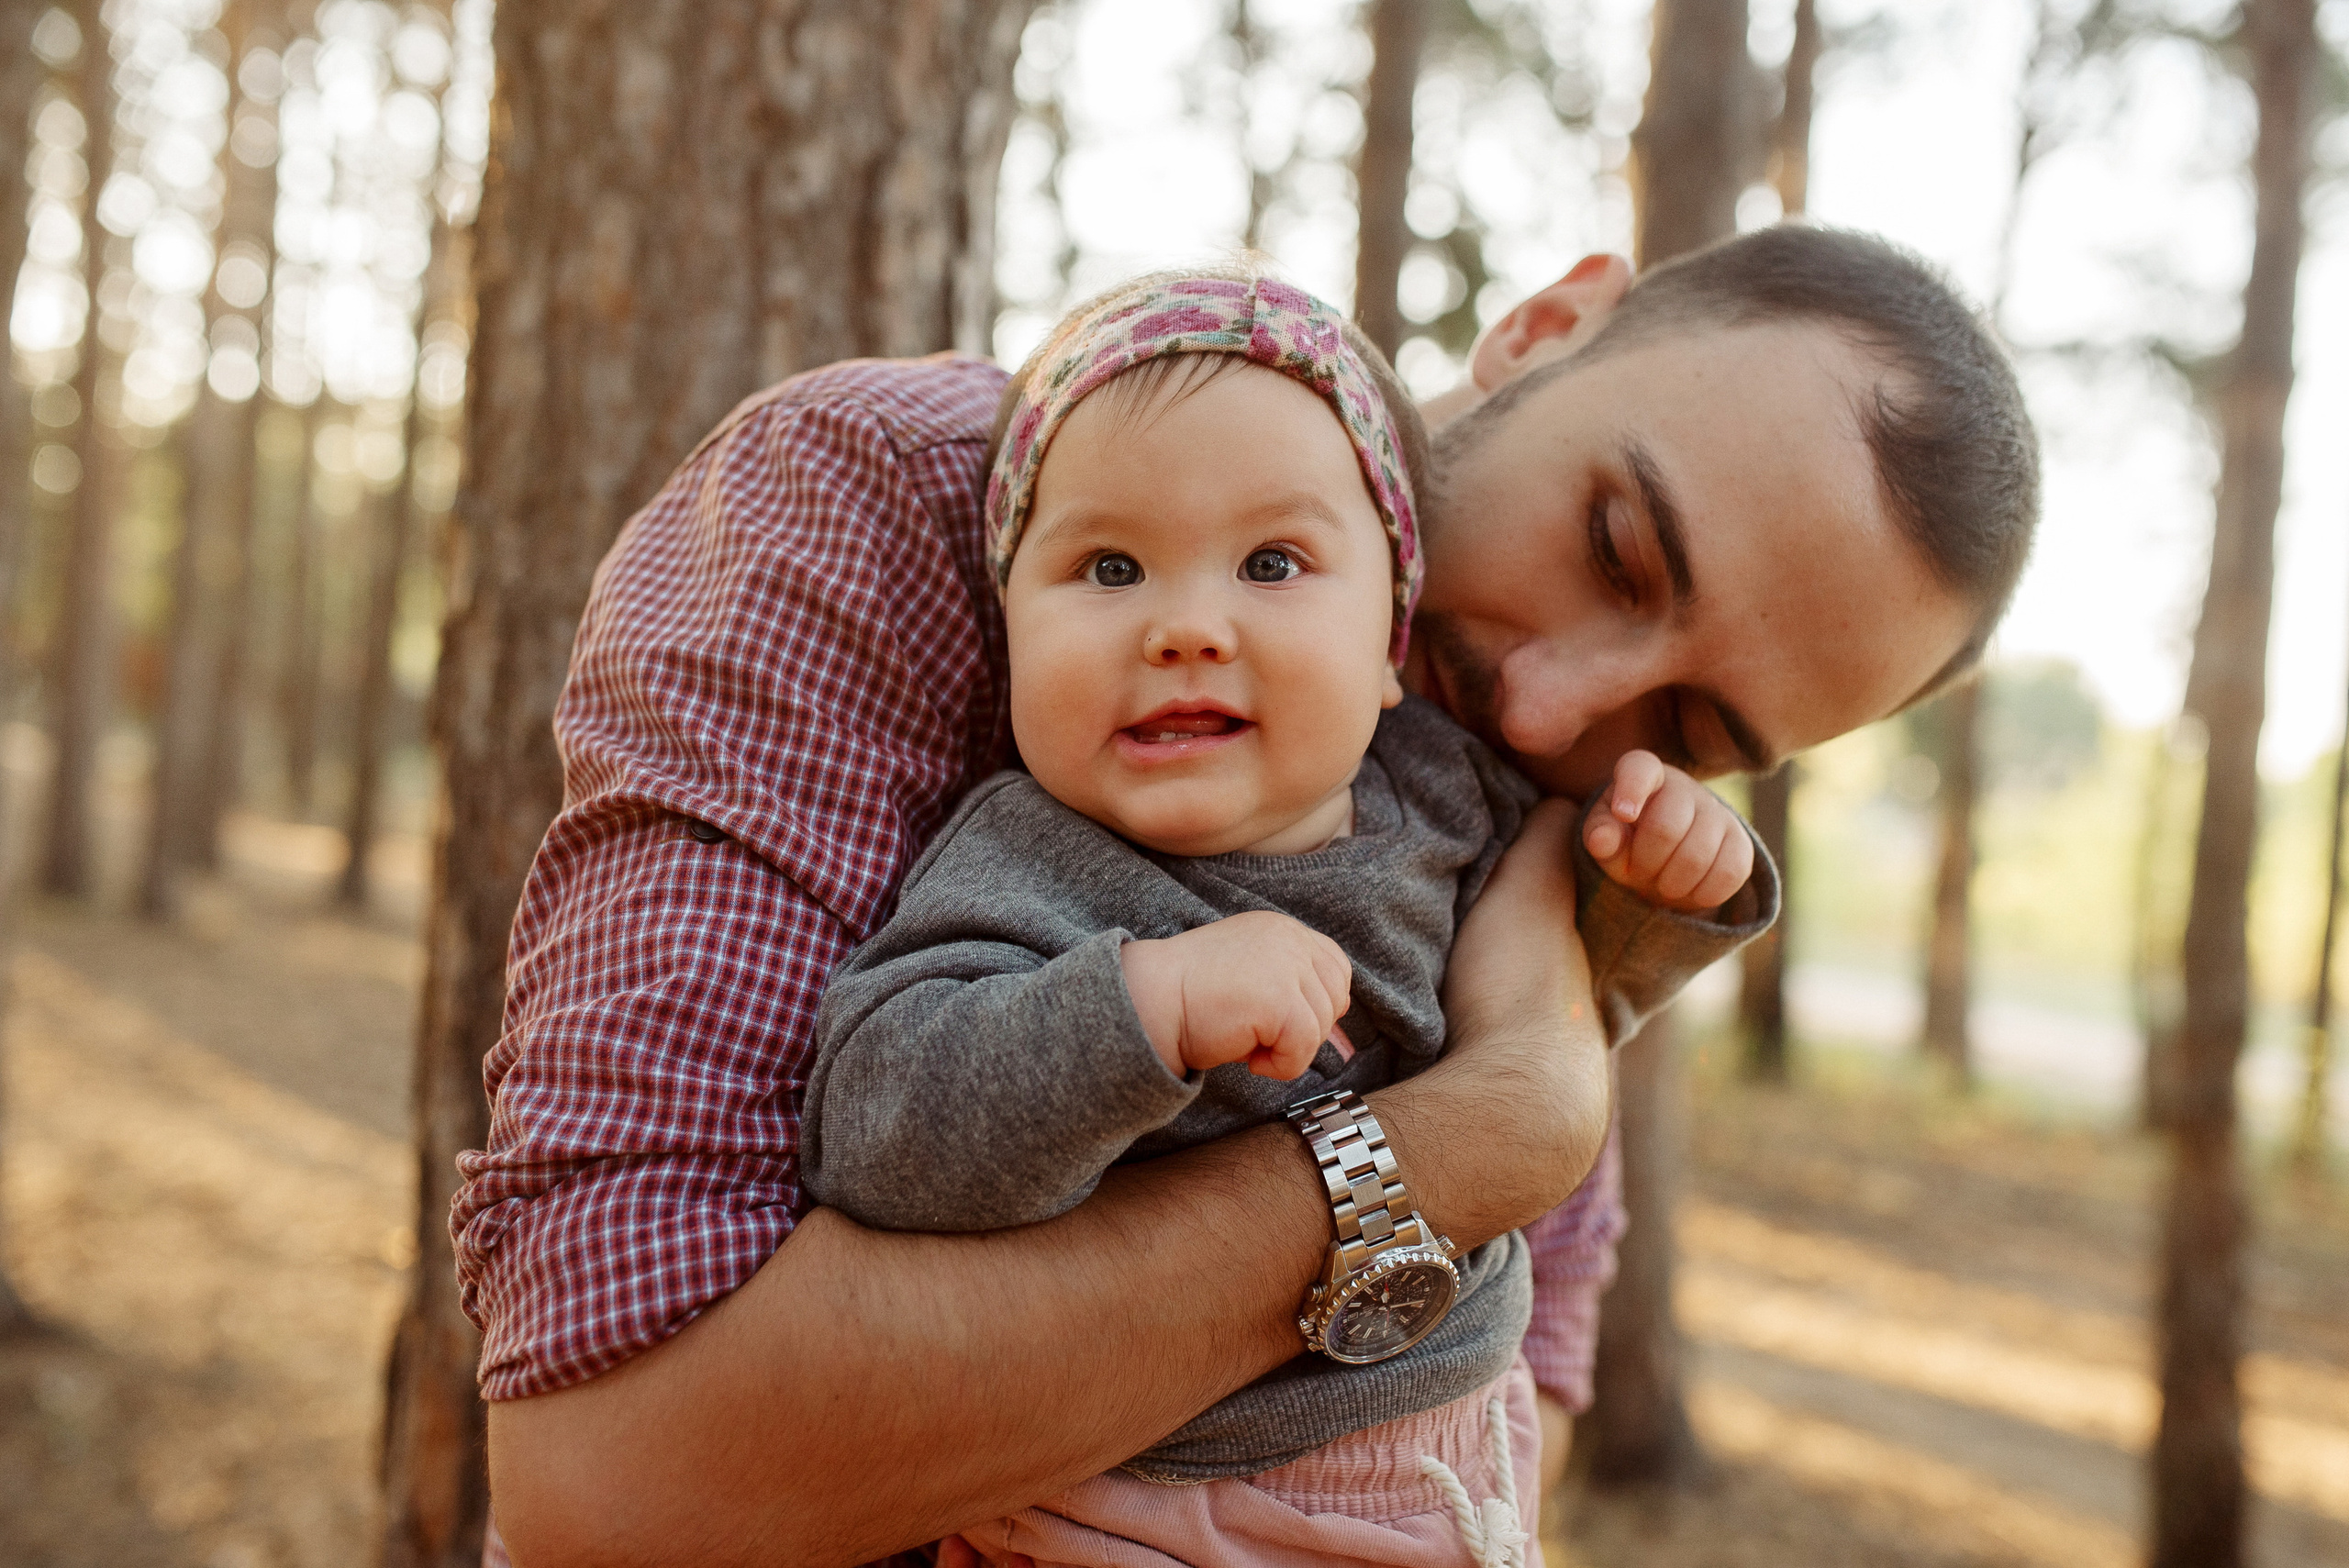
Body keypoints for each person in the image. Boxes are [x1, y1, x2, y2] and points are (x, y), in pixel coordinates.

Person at [470, 225, 2038, 1567]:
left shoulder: (1508, 829)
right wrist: (1490, 1122)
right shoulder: (871, 507)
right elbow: (609, 1490)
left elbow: (1528, 1379)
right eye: (1614, 547)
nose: (1558, 709)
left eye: (1687, 729)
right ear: (1546, 325)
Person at [798, 271, 1772, 1566]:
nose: (1187, 625)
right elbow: (880, 1125)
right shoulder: (1028, 861)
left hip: (1445, 1471)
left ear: (1387, 642)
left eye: (1272, 562)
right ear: (1011, 626)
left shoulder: (1445, 793)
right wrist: (1142, 1006)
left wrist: (1658, 889)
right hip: (1146, 1499)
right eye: (1107, 566)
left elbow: (1567, 1000)